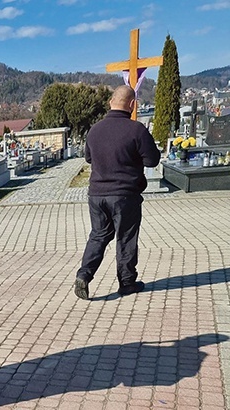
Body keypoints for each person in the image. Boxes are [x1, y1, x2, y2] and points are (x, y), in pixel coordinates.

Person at [74, 85, 161, 300]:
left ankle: (84, 275)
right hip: (124, 195)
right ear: (132, 104)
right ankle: (127, 283)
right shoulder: (136, 130)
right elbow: (152, 159)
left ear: (111, 101)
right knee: (126, 237)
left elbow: (89, 158)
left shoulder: (94, 130)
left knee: (99, 235)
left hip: (96, 194)